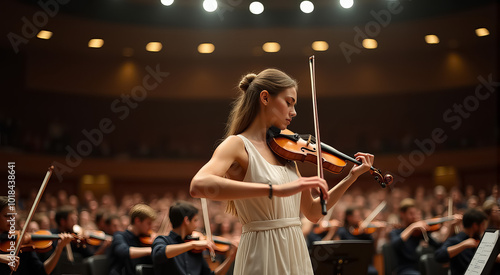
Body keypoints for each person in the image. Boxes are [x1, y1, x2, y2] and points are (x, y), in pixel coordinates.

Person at [190, 68, 375, 274]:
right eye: (289, 102)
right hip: (261, 250)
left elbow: (314, 213)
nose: (293, 112)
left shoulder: (285, 151)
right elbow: (198, 185)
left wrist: (351, 177)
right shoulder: (236, 145)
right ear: (265, 98)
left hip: (295, 250)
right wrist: (275, 189)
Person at [152, 201, 237, 275]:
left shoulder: (195, 250)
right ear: (186, 221)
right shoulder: (162, 240)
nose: (196, 225)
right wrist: (192, 245)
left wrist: (230, 258)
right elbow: (159, 254)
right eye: (195, 220)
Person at [0, 196, 73, 275]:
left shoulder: (22, 242)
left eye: (13, 216)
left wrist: (59, 249)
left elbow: (42, 271)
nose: (12, 220)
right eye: (7, 216)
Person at [389, 198, 445, 275]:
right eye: (411, 214)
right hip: (403, 270)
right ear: (402, 214)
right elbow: (396, 244)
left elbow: (439, 246)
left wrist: (450, 229)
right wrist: (412, 227)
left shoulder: (418, 232)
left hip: (419, 268)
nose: (414, 216)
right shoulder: (395, 232)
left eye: (415, 213)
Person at [434, 208, 488, 275]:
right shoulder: (456, 240)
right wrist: (463, 245)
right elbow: (439, 256)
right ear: (475, 226)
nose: (484, 228)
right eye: (482, 225)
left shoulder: (478, 240)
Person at [107, 203, 157, 275]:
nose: (150, 227)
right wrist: (149, 250)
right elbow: (124, 251)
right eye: (148, 223)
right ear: (137, 221)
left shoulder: (143, 239)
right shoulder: (119, 236)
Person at [336, 206, 385, 275]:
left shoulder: (365, 233)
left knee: (373, 272)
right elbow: (345, 248)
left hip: (364, 263)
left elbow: (373, 248)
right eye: (356, 216)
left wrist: (378, 233)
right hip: (349, 263)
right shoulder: (343, 231)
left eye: (359, 216)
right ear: (349, 218)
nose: (359, 219)